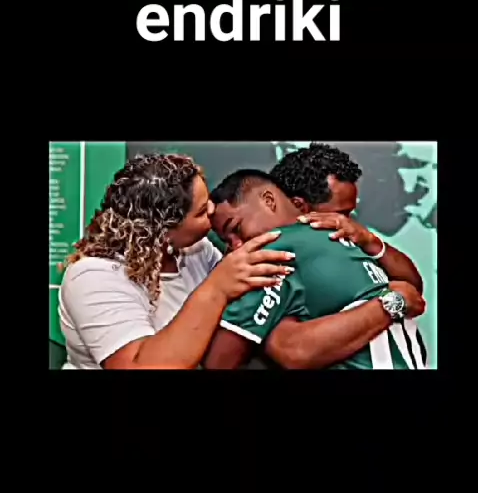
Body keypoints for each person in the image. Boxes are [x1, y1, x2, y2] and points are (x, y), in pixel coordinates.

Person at [59, 152, 424, 370]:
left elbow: (270, 332)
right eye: (202, 212)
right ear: (163, 230)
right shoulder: (94, 275)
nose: (213, 216)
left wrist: (371, 244)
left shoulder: (200, 252)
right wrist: (216, 289)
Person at [203, 169, 427, 369]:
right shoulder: (334, 238)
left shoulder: (275, 249)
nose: (235, 246)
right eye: (227, 241)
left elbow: (220, 361)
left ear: (269, 200)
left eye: (236, 228)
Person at [270, 141, 424, 293]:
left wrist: (370, 241)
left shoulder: (350, 236)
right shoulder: (269, 257)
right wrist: (386, 305)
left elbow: (412, 286)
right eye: (341, 213)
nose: (347, 221)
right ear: (298, 205)